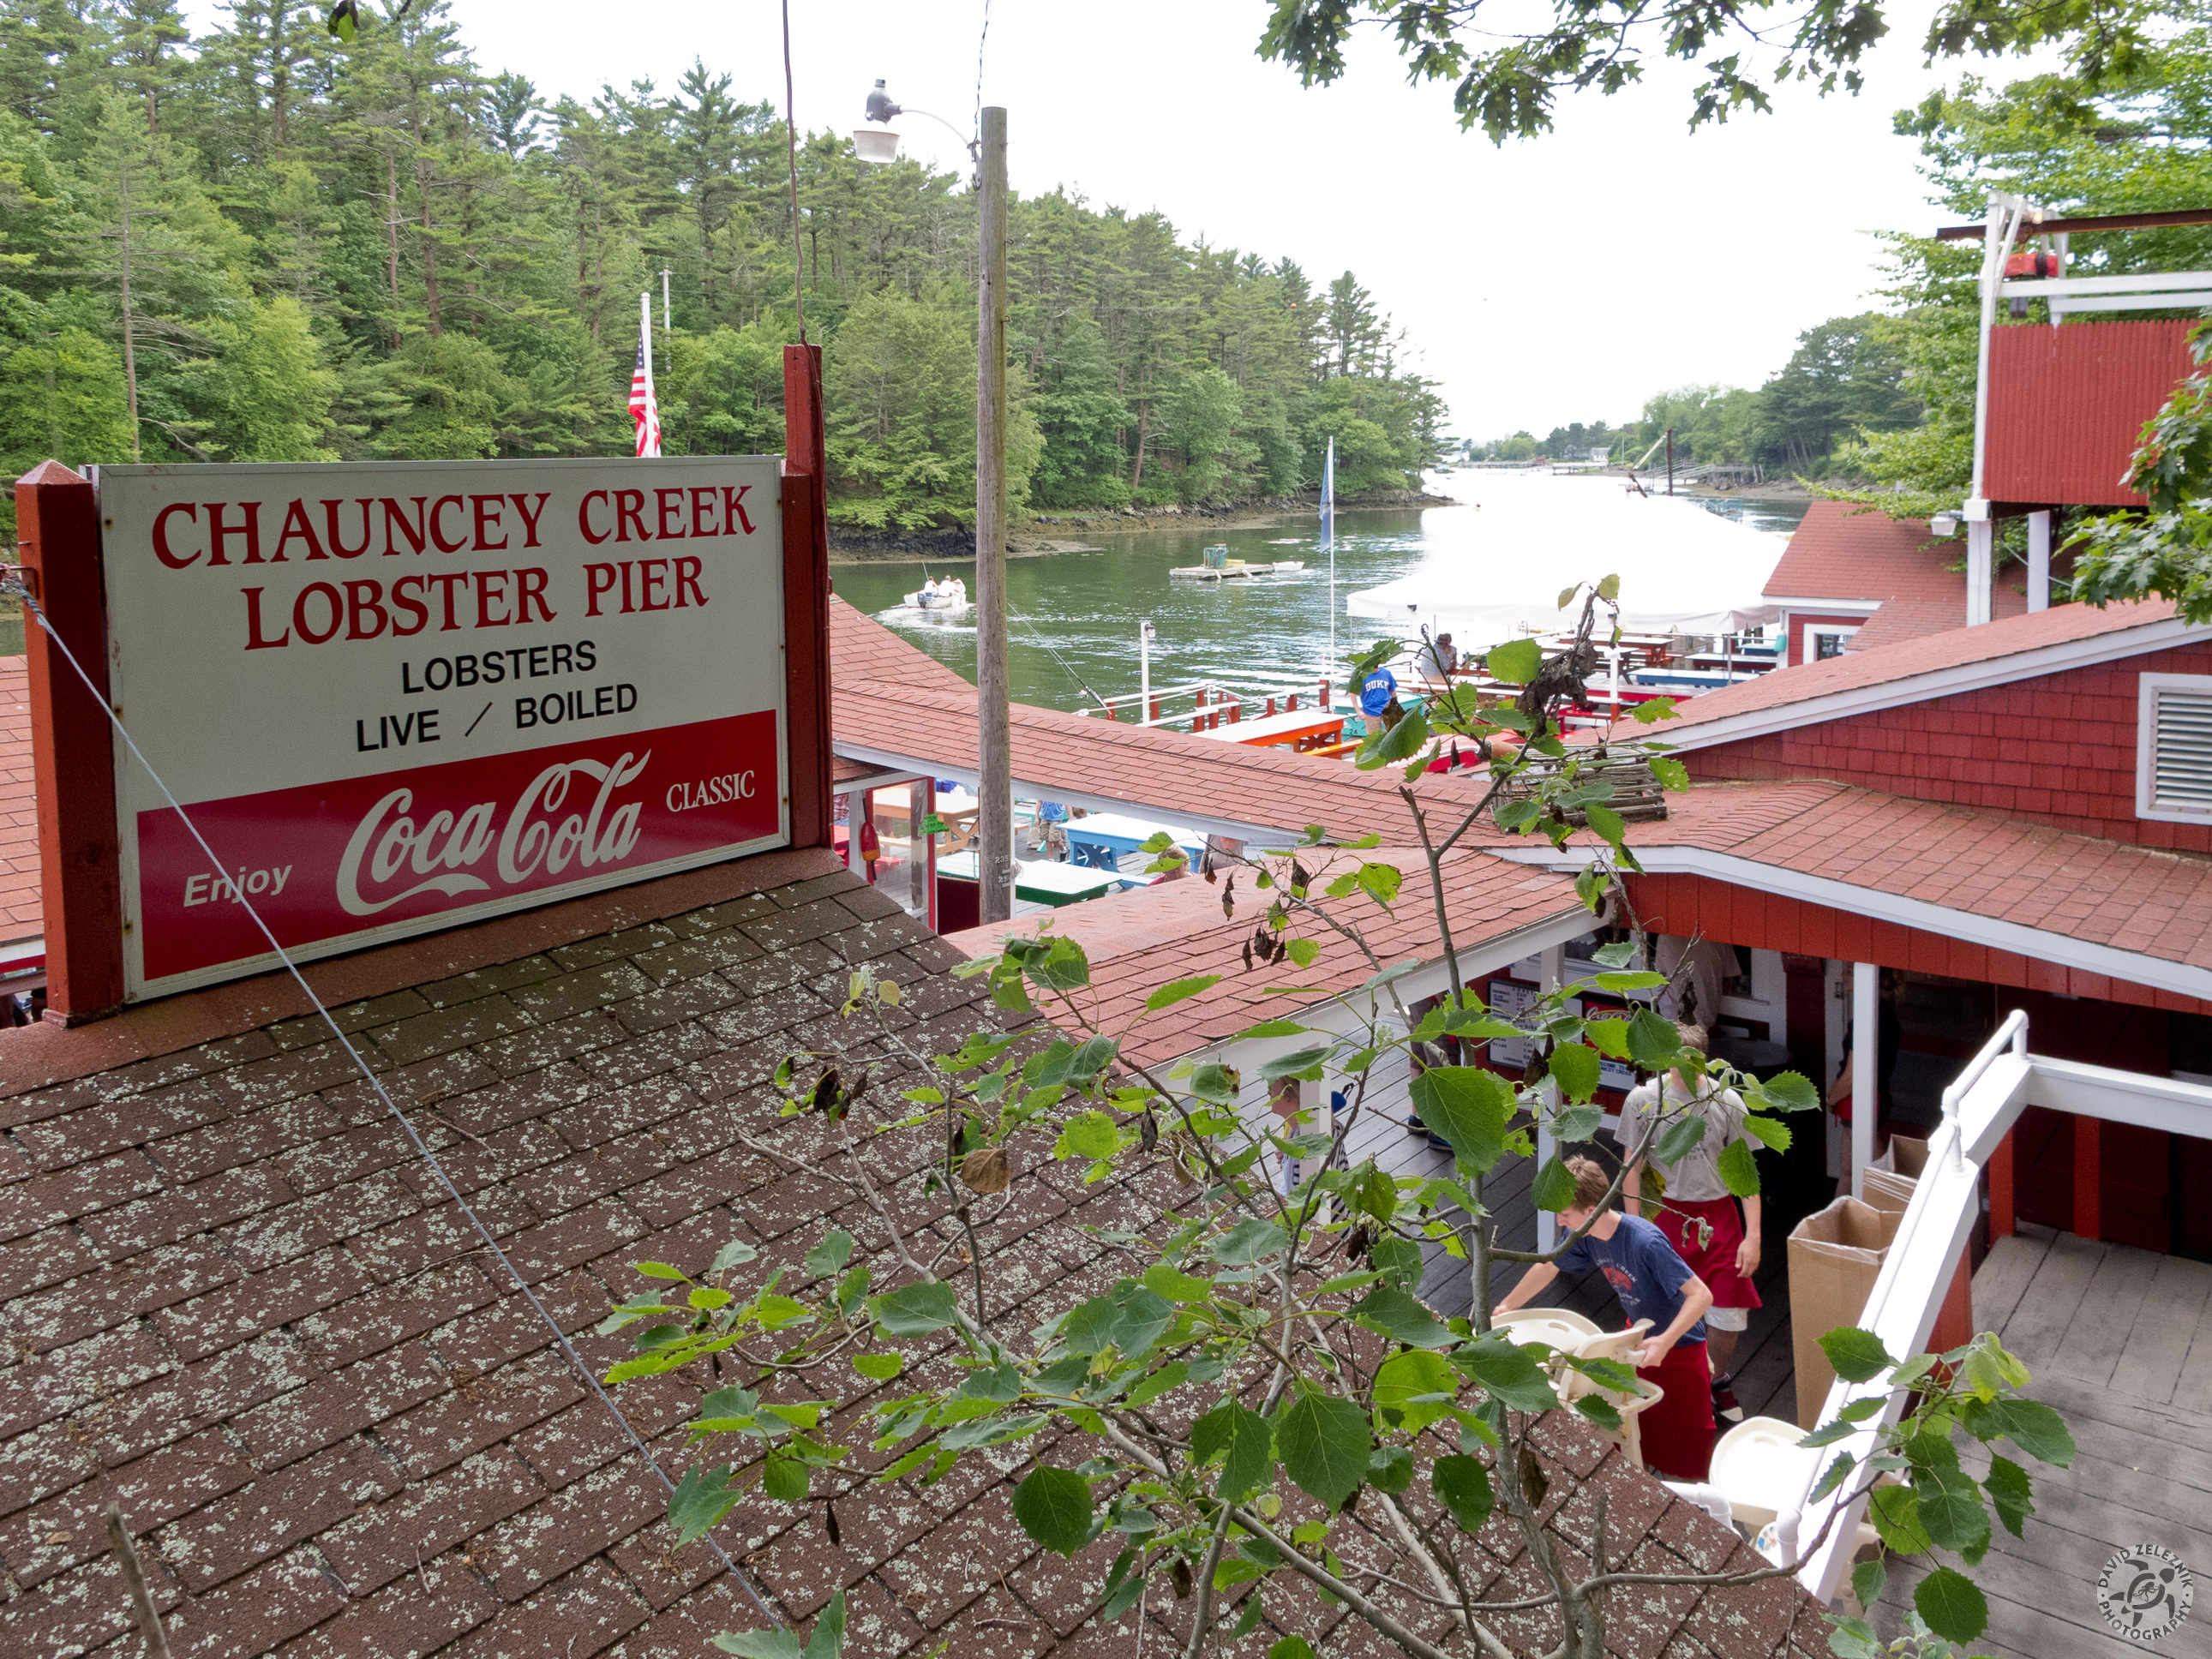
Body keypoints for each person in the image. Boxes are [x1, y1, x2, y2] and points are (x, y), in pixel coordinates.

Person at [1493, 1156, 1717, 1480]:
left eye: (1565, 1214)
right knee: (1636, 1427)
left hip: (1681, 1346)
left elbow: (1702, 1296)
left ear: (1591, 1210)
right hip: (1638, 1336)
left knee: (1689, 1444)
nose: (1559, 1222)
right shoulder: (1584, 1236)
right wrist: (1508, 1306)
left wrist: (1666, 1342)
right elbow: (1549, 1265)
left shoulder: (1645, 1242)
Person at [1616, 1022, 1760, 1423]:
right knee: (1661, 1302)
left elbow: (1745, 1174)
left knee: (1728, 1311)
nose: (1688, 1070)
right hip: (1665, 1213)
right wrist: (1633, 1226)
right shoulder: (1644, 1100)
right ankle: (1676, 1379)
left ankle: (1714, 1376)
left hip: (1718, 1215)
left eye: (1695, 1062)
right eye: (1678, 1062)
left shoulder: (1726, 1100)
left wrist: (1754, 1236)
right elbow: (1632, 1166)